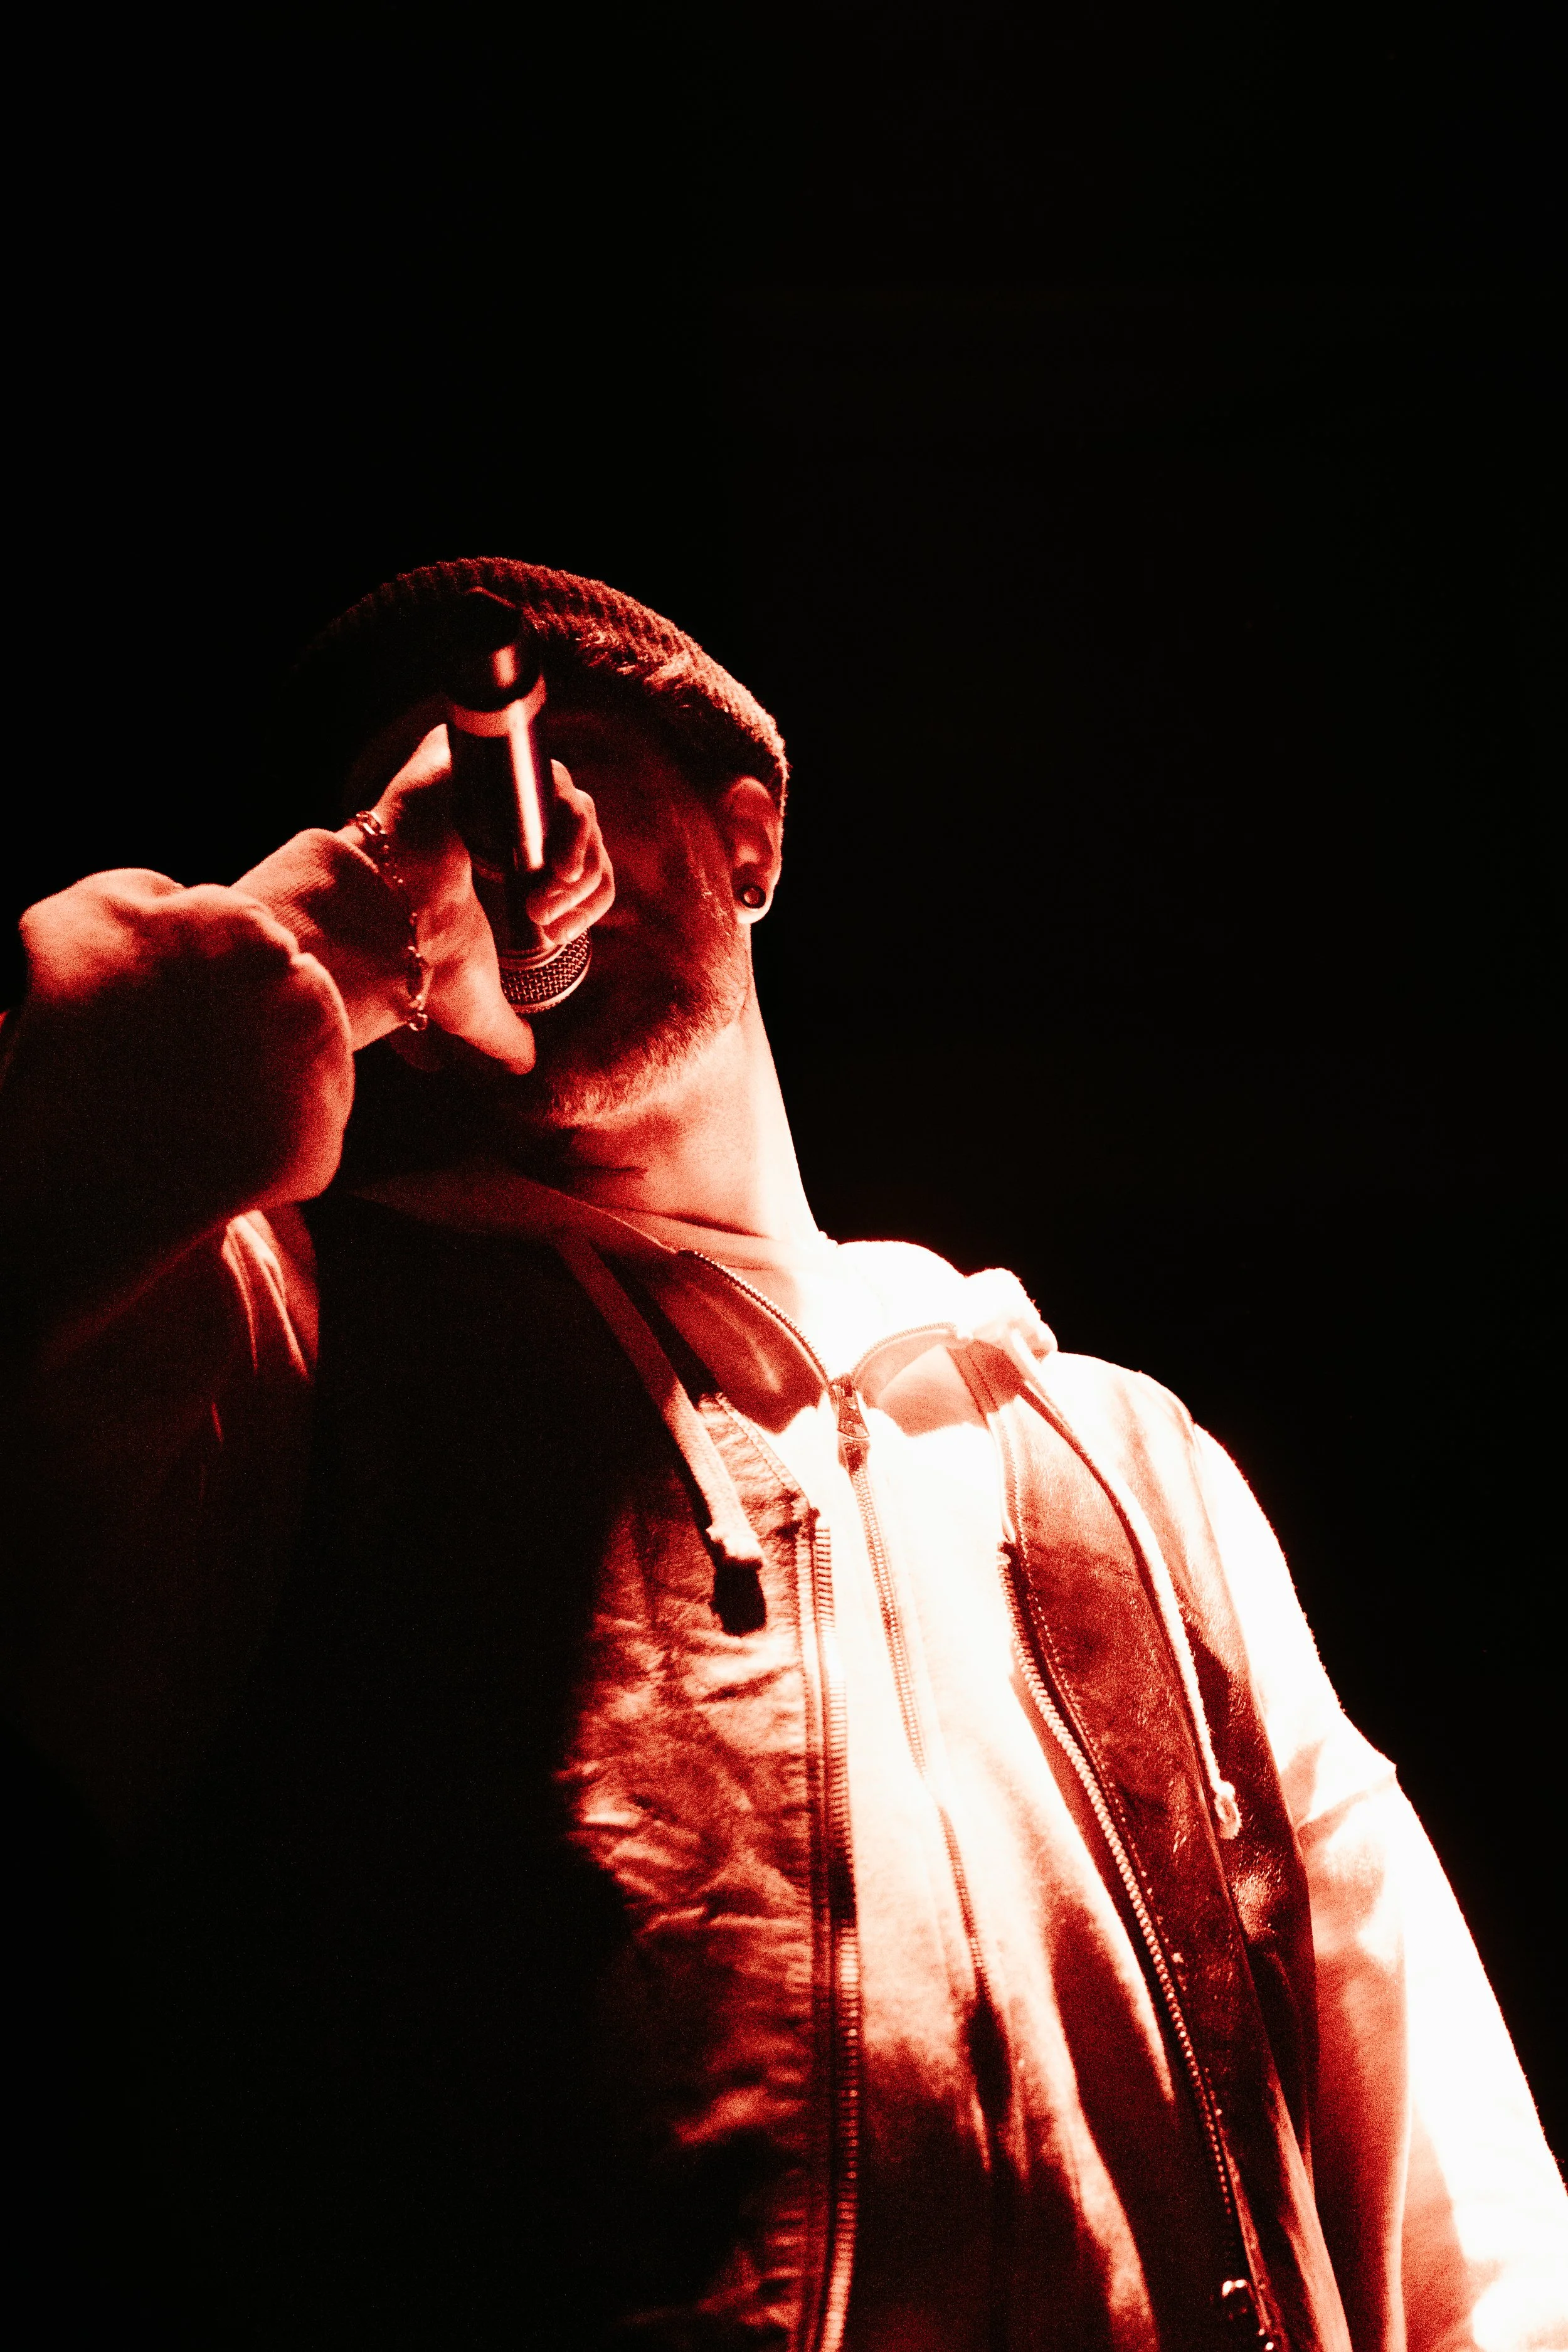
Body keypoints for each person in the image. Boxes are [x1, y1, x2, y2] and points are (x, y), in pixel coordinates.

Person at [1, 558, 1562, 2352]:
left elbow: (1429, 2142)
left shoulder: (1116, 1448)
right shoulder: (271, 1361)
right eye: (415, 800)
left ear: (745, 835)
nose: (516, 848)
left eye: (558, 758)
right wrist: (345, 913)